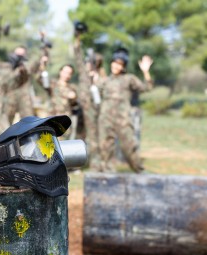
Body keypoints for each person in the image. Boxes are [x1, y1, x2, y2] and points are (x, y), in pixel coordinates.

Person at [97, 47, 153, 173]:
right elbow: (95, 95)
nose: (116, 66)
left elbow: (147, 87)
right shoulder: (104, 81)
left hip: (123, 119)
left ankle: (140, 172)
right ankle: (107, 175)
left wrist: (145, 71)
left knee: (129, 147)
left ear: (124, 67)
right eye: (115, 62)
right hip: (105, 119)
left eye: (120, 64)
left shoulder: (129, 79)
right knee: (105, 147)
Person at [73, 34, 106, 171]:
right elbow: (78, 56)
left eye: (91, 62)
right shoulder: (83, 74)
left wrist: (95, 80)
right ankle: (76, 165)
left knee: (93, 139)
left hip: (93, 112)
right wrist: (78, 39)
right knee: (78, 138)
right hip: (81, 109)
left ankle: (95, 165)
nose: (87, 64)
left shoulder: (101, 79)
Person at [38, 58, 78, 140]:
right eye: (65, 72)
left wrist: (74, 97)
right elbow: (39, 79)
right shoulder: (53, 84)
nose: (67, 75)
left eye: (69, 73)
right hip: (50, 121)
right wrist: (43, 65)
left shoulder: (72, 88)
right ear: (60, 71)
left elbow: (75, 105)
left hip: (64, 125)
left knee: (63, 148)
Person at [4, 46, 36, 124]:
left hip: (24, 98)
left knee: (29, 122)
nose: (18, 57)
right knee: (5, 121)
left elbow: (35, 65)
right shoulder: (6, 67)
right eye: (17, 55)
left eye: (21, 55)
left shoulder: (27, 66)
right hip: (9, 98)